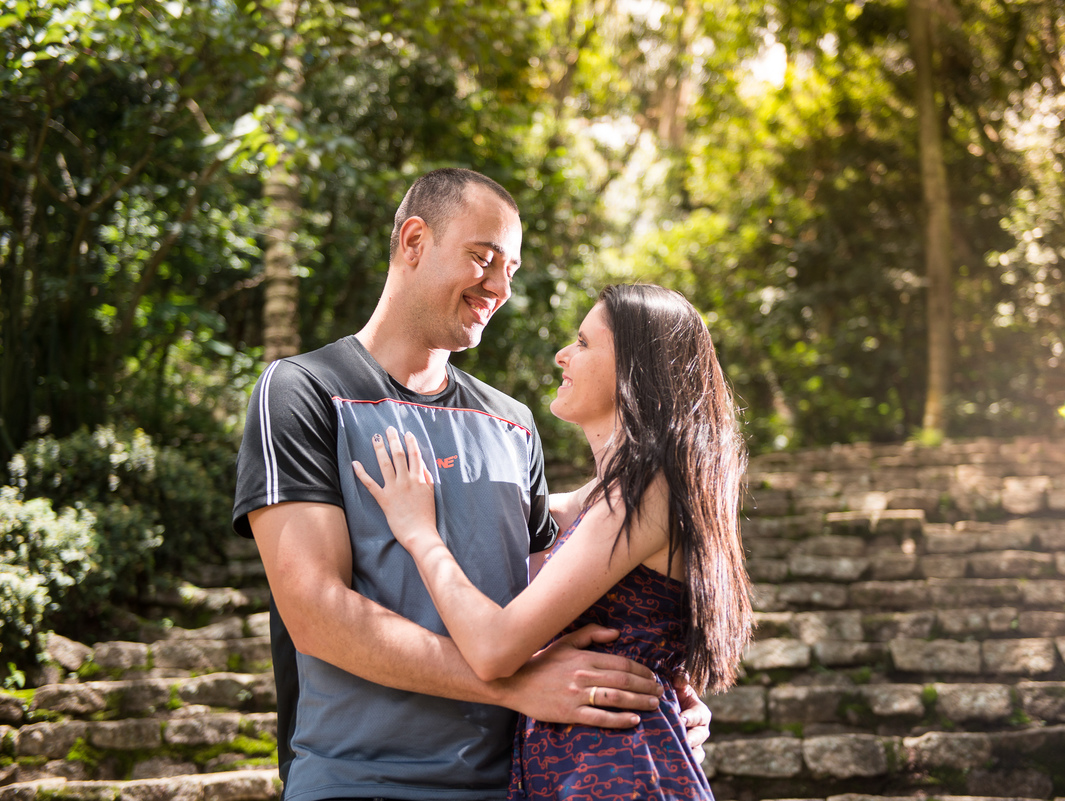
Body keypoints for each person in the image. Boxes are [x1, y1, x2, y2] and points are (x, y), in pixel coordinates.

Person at [232, 170, 710, 801]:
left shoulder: (513, 422)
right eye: (484, 258)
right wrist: (514, 686)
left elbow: (556, 591)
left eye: (510, 269)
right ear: (413, 241)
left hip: (518, 784)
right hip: (357, 780)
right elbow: (317, 615)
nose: (500, 287)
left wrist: (658, 685)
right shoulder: (303, 391)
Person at [354, 283, 754, 800]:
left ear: (636, 369)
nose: (563, 354)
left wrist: (419, 533)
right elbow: (513, 507)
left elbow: (494, 649)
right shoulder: (605, 497)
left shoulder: (646, 491)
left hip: (618, 775)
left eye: (584, 343)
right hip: (586, 768)